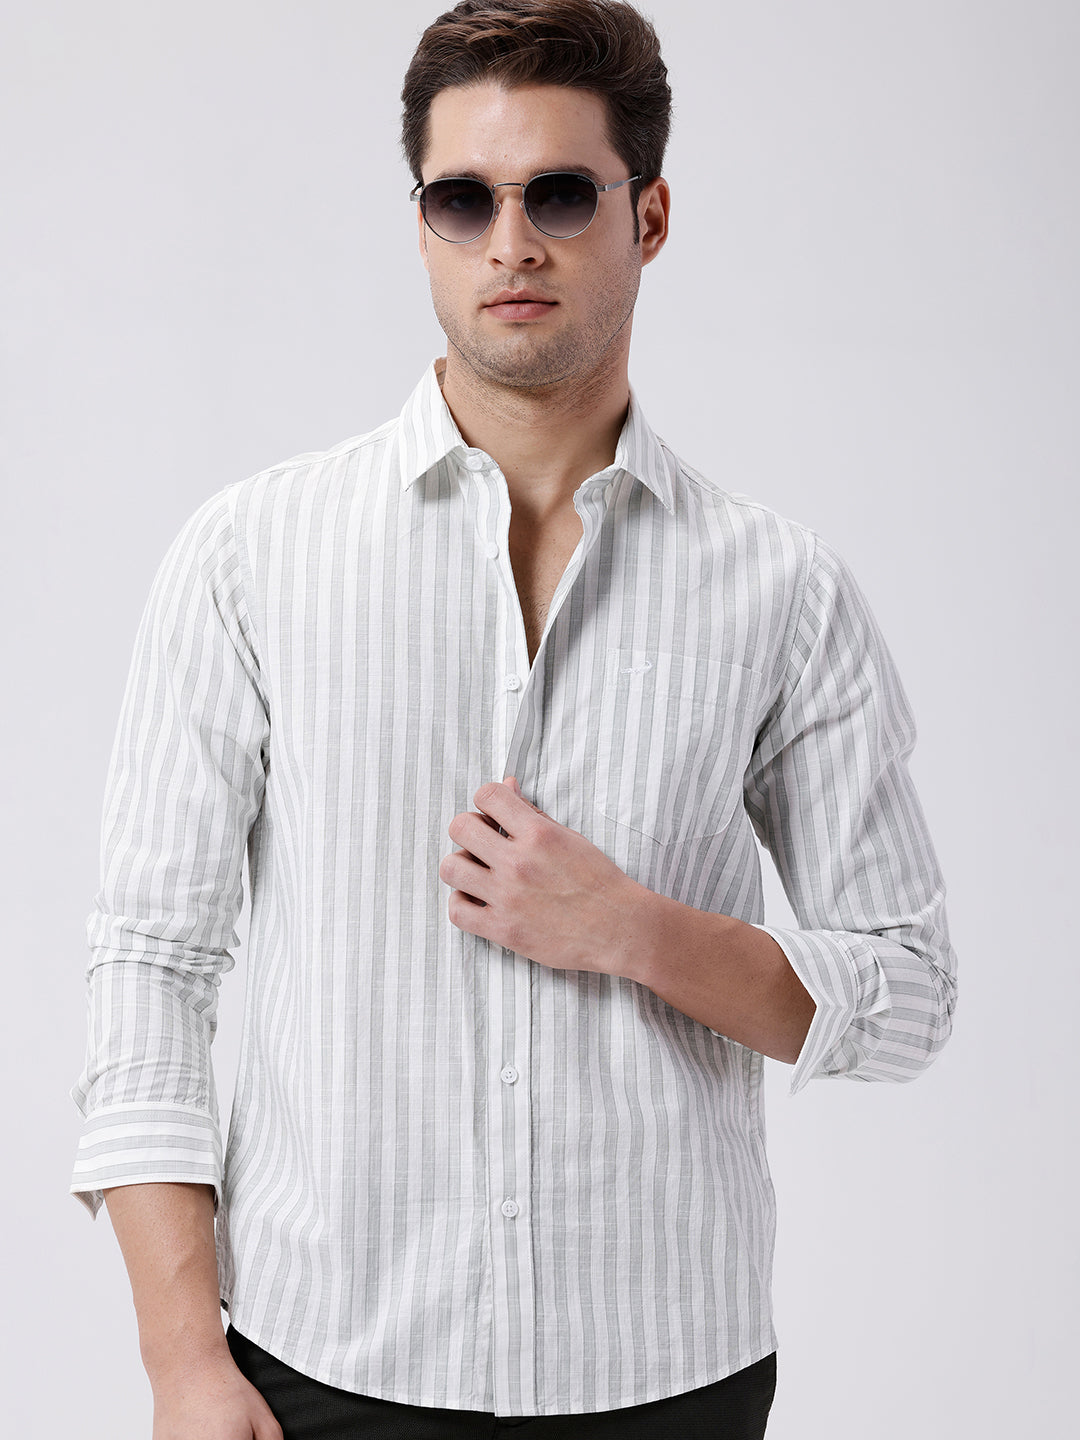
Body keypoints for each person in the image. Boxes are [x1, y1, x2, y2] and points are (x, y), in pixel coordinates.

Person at [70, 2, 957, 1436]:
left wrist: (634, 930)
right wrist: (183, 1363)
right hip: (321, 1365)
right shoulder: (251, 556)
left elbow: (907, 992)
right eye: (464, 199)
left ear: (648, 216)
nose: (512, 242)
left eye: (559, 193)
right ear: (422, 226)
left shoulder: (781, 592)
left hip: (668, 1371)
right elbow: (149, 964)